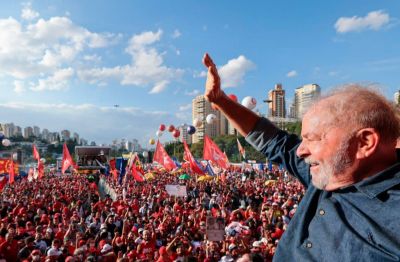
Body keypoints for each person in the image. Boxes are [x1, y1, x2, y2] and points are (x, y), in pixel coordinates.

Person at [202, 53, 400, 261]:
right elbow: (277, 142)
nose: (300, 151)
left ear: (364, 143)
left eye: (312, 139)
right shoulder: (331, 172)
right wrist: (220, 100)